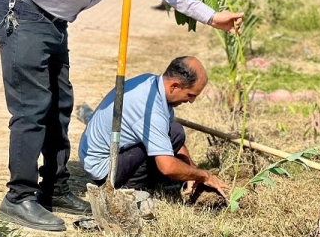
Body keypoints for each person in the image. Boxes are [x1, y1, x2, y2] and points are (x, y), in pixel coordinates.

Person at [0, 0, 243, 232]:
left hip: (54, 22)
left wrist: (212, 17)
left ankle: (53, 188)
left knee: (60, 107)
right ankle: (19, 198)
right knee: (33, 109)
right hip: (24, 11)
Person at [79, 56, 230, 205]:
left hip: (110, 153)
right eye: (190, 95)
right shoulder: (151, 111)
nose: (191, 101)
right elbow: (168, 167)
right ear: (174, 86)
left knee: (175, 132)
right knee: (172, 141)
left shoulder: (152, 84)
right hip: (104, 168)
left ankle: (151, 181)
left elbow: (170, 137)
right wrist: (204, 176)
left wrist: (192, 172)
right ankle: (130, 189)